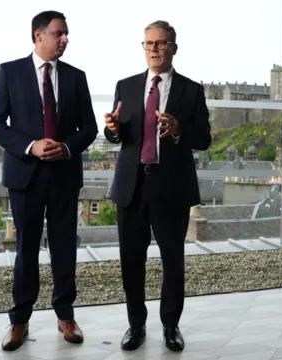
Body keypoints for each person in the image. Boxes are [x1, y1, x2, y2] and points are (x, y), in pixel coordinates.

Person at [0, 10, 97, 352]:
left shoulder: (76, 77)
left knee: (65, 250)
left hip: (64, 177)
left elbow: (89, 128)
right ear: (38, 36)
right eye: (59, 34)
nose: (65, 39)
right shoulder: (10, 72)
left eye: (66, 34)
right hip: (25, 177)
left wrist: (65, 147)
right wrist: (31, 146)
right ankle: (19, 320)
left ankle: (65, 316)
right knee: (26, 251)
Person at [104, 20, 211, 352]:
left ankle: (170, 325)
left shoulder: (191, 90)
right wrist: (111, 129)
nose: (154, 49)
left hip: (171, 188)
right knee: (131, 261)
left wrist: (179, 128)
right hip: (132, 187)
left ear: (173, 48)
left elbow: (204, 139)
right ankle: (135, 325)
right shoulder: (127, 86)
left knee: (173, 262)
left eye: (161, 43)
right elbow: (117, 136)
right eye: (149, 43)